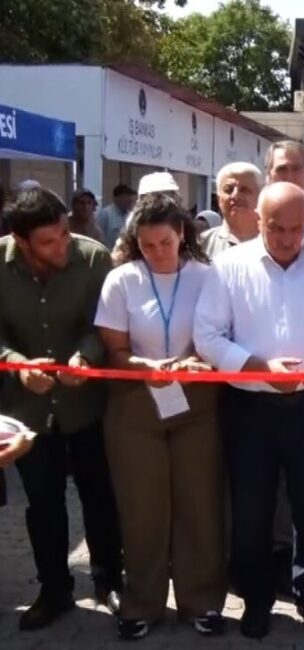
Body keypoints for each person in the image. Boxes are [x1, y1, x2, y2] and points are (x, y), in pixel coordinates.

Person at [194, 182, 304, 640]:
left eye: (295, 229)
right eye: (275, 228)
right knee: (251, 510)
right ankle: (256, 599)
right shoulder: (227, 267)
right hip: (250, 408)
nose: (285, 238)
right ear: (257, 221)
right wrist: (259, 367)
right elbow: (208, 336)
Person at [95, 194, 226, 640]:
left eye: (165, 243)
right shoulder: (121, 281)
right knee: (142, 509)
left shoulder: (209, 277)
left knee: (199, 505)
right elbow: (114, 349)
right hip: (136, 403)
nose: (157, 253)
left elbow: (219, 336)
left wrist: (196, 363)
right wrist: (145, 369)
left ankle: (202, 601)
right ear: (135, 242)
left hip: (197, 403)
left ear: (182, 235)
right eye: (147, 246)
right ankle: (142, 603)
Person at [0, 188, 123, 630]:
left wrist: (86, 358)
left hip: (86, 406)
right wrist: (16, 366)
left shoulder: (93, 259)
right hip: (27, 416)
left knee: (100, 498)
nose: (62, 245)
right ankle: (54, 590)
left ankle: (110, 579)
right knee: (43, 505)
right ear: (21, 240)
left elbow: (105, 324)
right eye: (49, 241)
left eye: (65, 234)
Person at [201, 163, 263, 259]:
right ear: (218, 199)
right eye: (228, 190)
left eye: (244, 190)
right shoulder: (201, 244)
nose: (235, 196)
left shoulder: (273, 244)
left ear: (261, 197)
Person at [264, 140, 304, 246]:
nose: (289, 177)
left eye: (296, 169)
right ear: (269, 175)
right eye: (282, 169)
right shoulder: (251, 219)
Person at [96, 184, 136, 248]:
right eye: (126, 197)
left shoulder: (130, 216)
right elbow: (97, 237)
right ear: (117, 198)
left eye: (130, 198)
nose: (129, 201)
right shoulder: (105, 214)